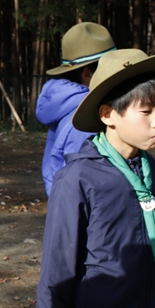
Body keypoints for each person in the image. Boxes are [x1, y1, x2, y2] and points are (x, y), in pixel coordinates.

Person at [35, 48, 155, 308]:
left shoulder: (148, 167)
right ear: (108, 114)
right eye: (146, 111)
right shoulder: (77, 179)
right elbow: (56, 276)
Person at [36, 22, 116, 196]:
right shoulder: (83, 116)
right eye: (109, 68)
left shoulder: (69, 102)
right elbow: (83, 181)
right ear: (88, 74)